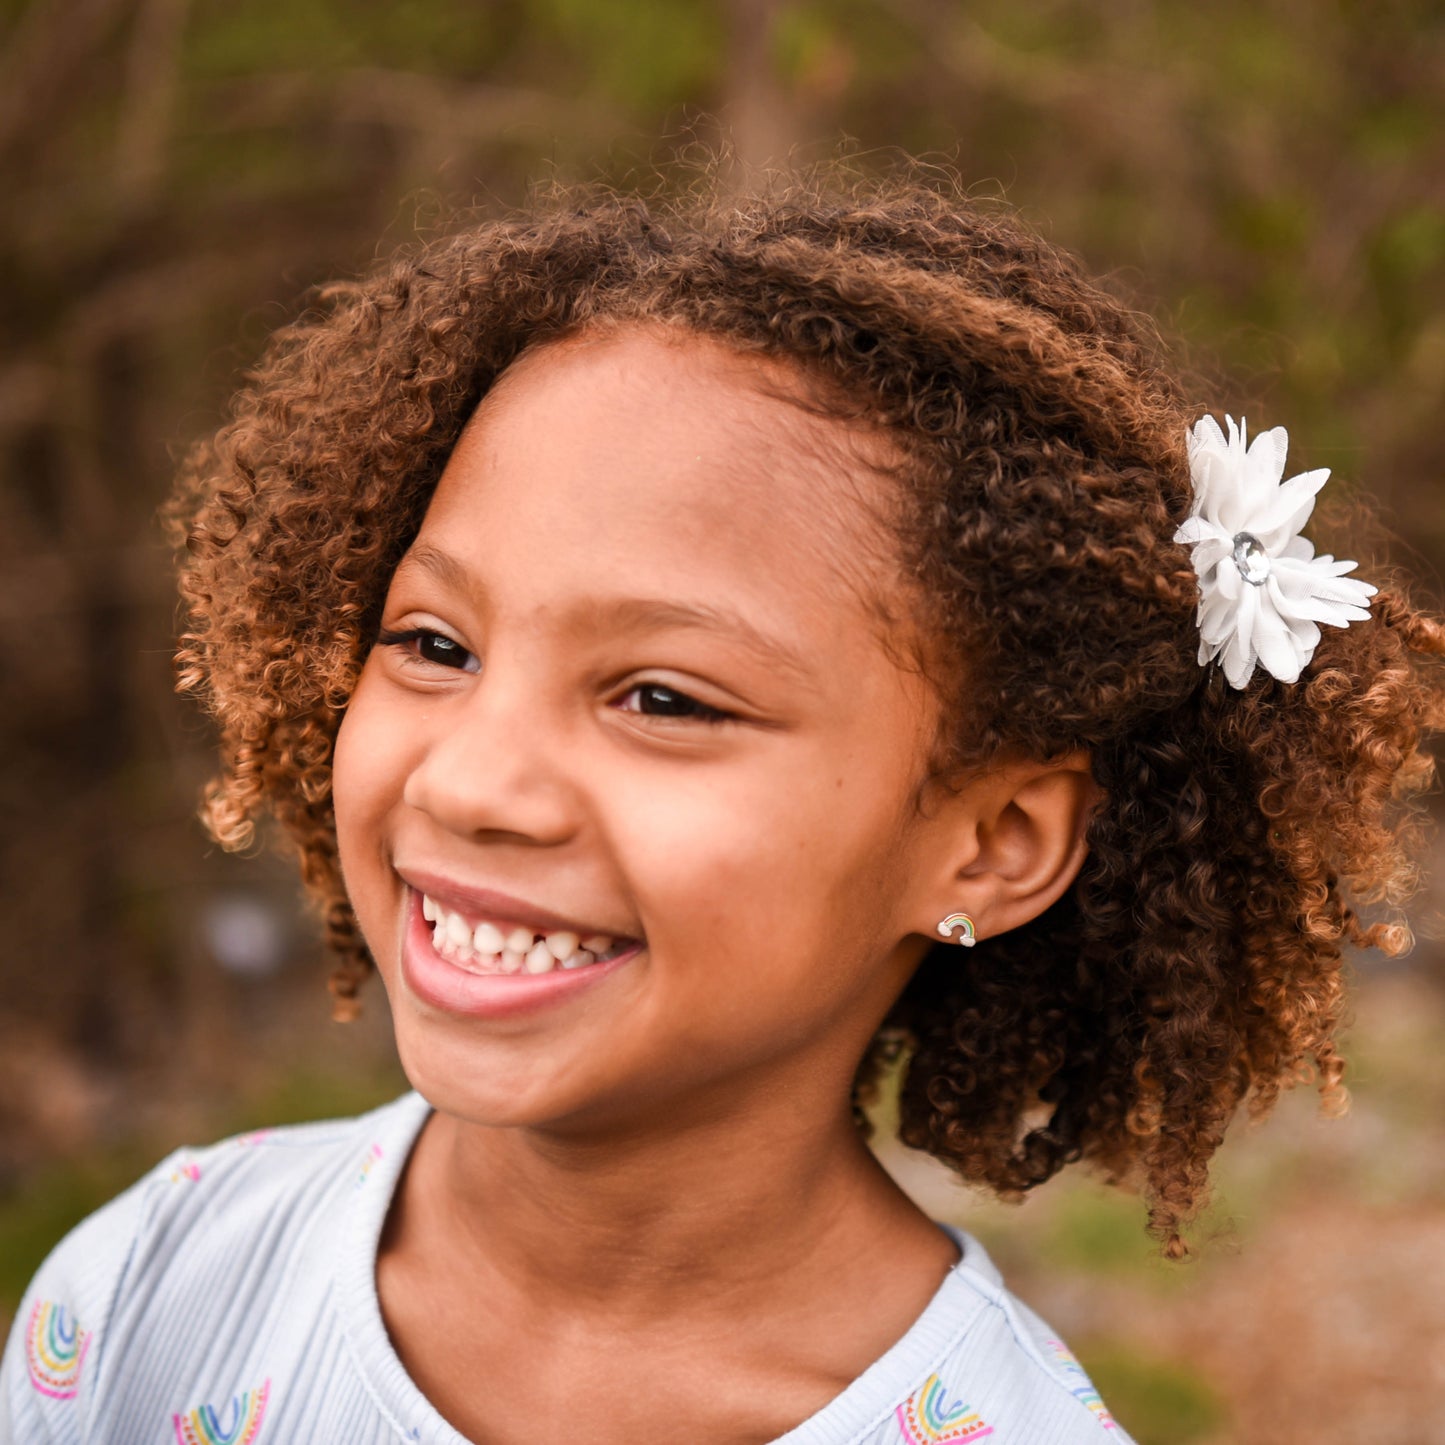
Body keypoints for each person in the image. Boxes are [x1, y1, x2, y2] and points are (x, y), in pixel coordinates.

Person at [4, 173, 1440, 1445]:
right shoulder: (154, 1289)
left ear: (990, 844)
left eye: (664, 699)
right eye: (433, 646)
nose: (471, 780)